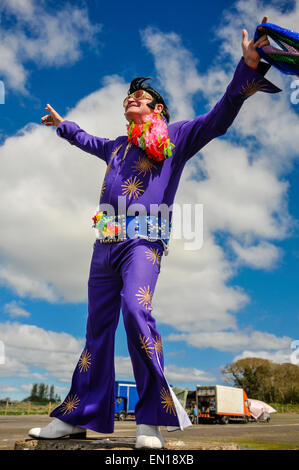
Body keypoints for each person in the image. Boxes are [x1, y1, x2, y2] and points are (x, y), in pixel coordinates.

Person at [28, 16, 282, 449]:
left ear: (157, 110)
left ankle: (152, 419)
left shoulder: (177, 137)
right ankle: (77, 416)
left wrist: (250, 70)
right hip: (104, 243)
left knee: (135, 310)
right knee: (95, 330)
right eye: (129, 96)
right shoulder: (117, 145)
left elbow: (219, 117)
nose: (132, 99)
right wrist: (63, 125)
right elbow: (87, 140)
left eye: (141, 97)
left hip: (145, 241)